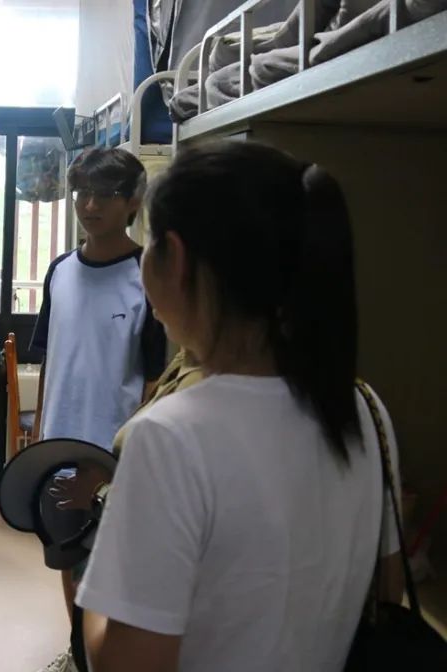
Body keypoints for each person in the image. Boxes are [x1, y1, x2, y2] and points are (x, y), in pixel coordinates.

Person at [76, 141, 404, 671]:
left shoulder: (170, 435)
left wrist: (95, 592)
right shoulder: (364, 408)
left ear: (175, 258)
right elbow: (387, 587)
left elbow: (126, 662)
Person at [30, 147, 167, 672]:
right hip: (58, 446)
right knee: (67, 559)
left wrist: (123, 459)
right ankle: (79, 652)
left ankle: (102, 660)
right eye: (82, 192)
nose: (90, 205)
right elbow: (50, 358)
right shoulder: (60, 271)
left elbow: (153, 378)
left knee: (113, 571)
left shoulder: (147, 274)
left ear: (133, 201)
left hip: (115, 453)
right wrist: (38, 440)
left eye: (105, 194)